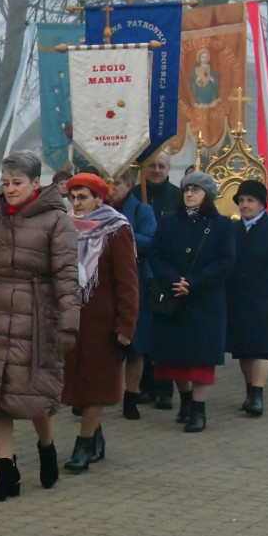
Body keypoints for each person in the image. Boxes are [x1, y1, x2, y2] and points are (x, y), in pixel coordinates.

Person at [0, 151, 79, 501]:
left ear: (35, 183)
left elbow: (67, 276)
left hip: (36, 316)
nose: (10, 189)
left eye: (18, 183)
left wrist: (68, 324)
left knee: (33, 394)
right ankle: (6, 470)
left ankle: (46, 446)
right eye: (7, 182)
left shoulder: (58, 221)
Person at [59, 173, 138, 471]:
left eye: (83, 197)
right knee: (77, 387)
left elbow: (128, 281)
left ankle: (82, 445)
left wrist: (125, 325)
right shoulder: (64, 226)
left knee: (96, 386)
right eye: (72, 197)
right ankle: (95, 436)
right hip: (71, 319)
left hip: (102, 323)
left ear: (98, 198)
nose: (76, 203)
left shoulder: (116, 229)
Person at [148, 172, 235, 433]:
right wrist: (175, 280)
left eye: (195, 189)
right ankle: (185, 400)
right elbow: (155, 255)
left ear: (207, 194)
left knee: (201, 358)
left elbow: (226, 261)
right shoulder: (169, 222)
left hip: (205, 300)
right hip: (173, 297)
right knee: (175, 356)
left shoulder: (221, 225)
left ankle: (199, 409)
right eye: (186, 189)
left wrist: (193, 282)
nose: (189, 194)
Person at [226, 180, 268, 415]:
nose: (244, 205)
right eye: (241, 200)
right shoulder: (232, 230)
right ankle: (250, 390)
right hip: (237, 300)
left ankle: (257, 394)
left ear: (261, 204)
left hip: (266, 300)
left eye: (250, 200)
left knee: (262, 349)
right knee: (243, 350)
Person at [132, 151, 181, 410]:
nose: (157, 170)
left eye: (162, 166)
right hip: (141, 271)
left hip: (167, 271)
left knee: (165, 333)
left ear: (168, 169)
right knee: (144, 333)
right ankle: (146, 385)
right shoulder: (135, 196)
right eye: (152, 165)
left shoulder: (177, 197)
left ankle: (165, 389)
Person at [110, 168, 157, 420]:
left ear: (129, 185)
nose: (113, 187)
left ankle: (131, 396)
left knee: (135, 344)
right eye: (109, 182)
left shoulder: (141, 210)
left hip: (135, 280)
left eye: (118, 182)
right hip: (106, 282)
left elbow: (150, 241)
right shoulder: (101, 208)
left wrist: (120, 234)